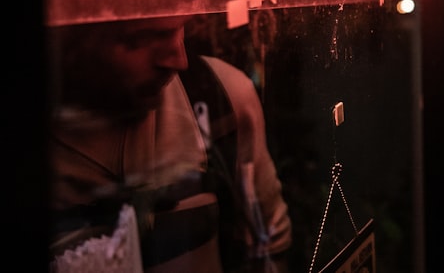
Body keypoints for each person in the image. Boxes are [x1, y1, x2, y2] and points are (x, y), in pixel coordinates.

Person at [47, 15, 292, 273]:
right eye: (145, 36)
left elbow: (271, 244)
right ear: (78, 37)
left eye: (181, 27)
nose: (179, 60)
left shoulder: (222, 96)